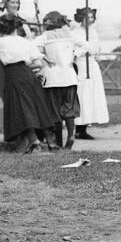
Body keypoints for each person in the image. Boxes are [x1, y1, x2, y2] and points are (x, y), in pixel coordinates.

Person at [0, 13, 59, 154]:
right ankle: (51, 142)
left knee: (21, 108)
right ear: (17, 27)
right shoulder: (26, 41)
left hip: (13, 74)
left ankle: (34, 141)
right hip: (28, 73)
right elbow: (38, 61)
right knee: (37, 105)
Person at [34, 11, 87, 150]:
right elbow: (86, 45)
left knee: (52, 109)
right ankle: (71, 135)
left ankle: (54, 141)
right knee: (69, 107)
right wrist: (75, 55)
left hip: (52, 77)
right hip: (69, 76)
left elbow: (30, 48)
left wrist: (44, 58)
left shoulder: (45, 36)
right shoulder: (69, 34)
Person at [71, 7, 110, 138]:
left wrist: (96, 52)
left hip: (92, 63)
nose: (90, 20)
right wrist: (83, 51)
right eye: (88, 17)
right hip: (82, 63)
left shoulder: (93, 30)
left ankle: (85, 126)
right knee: (83, 94)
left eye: (92, 17)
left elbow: (96, 46)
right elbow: (76, 47)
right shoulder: (76, 32)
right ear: (81, 17)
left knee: (92, 94)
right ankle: (79, 127)